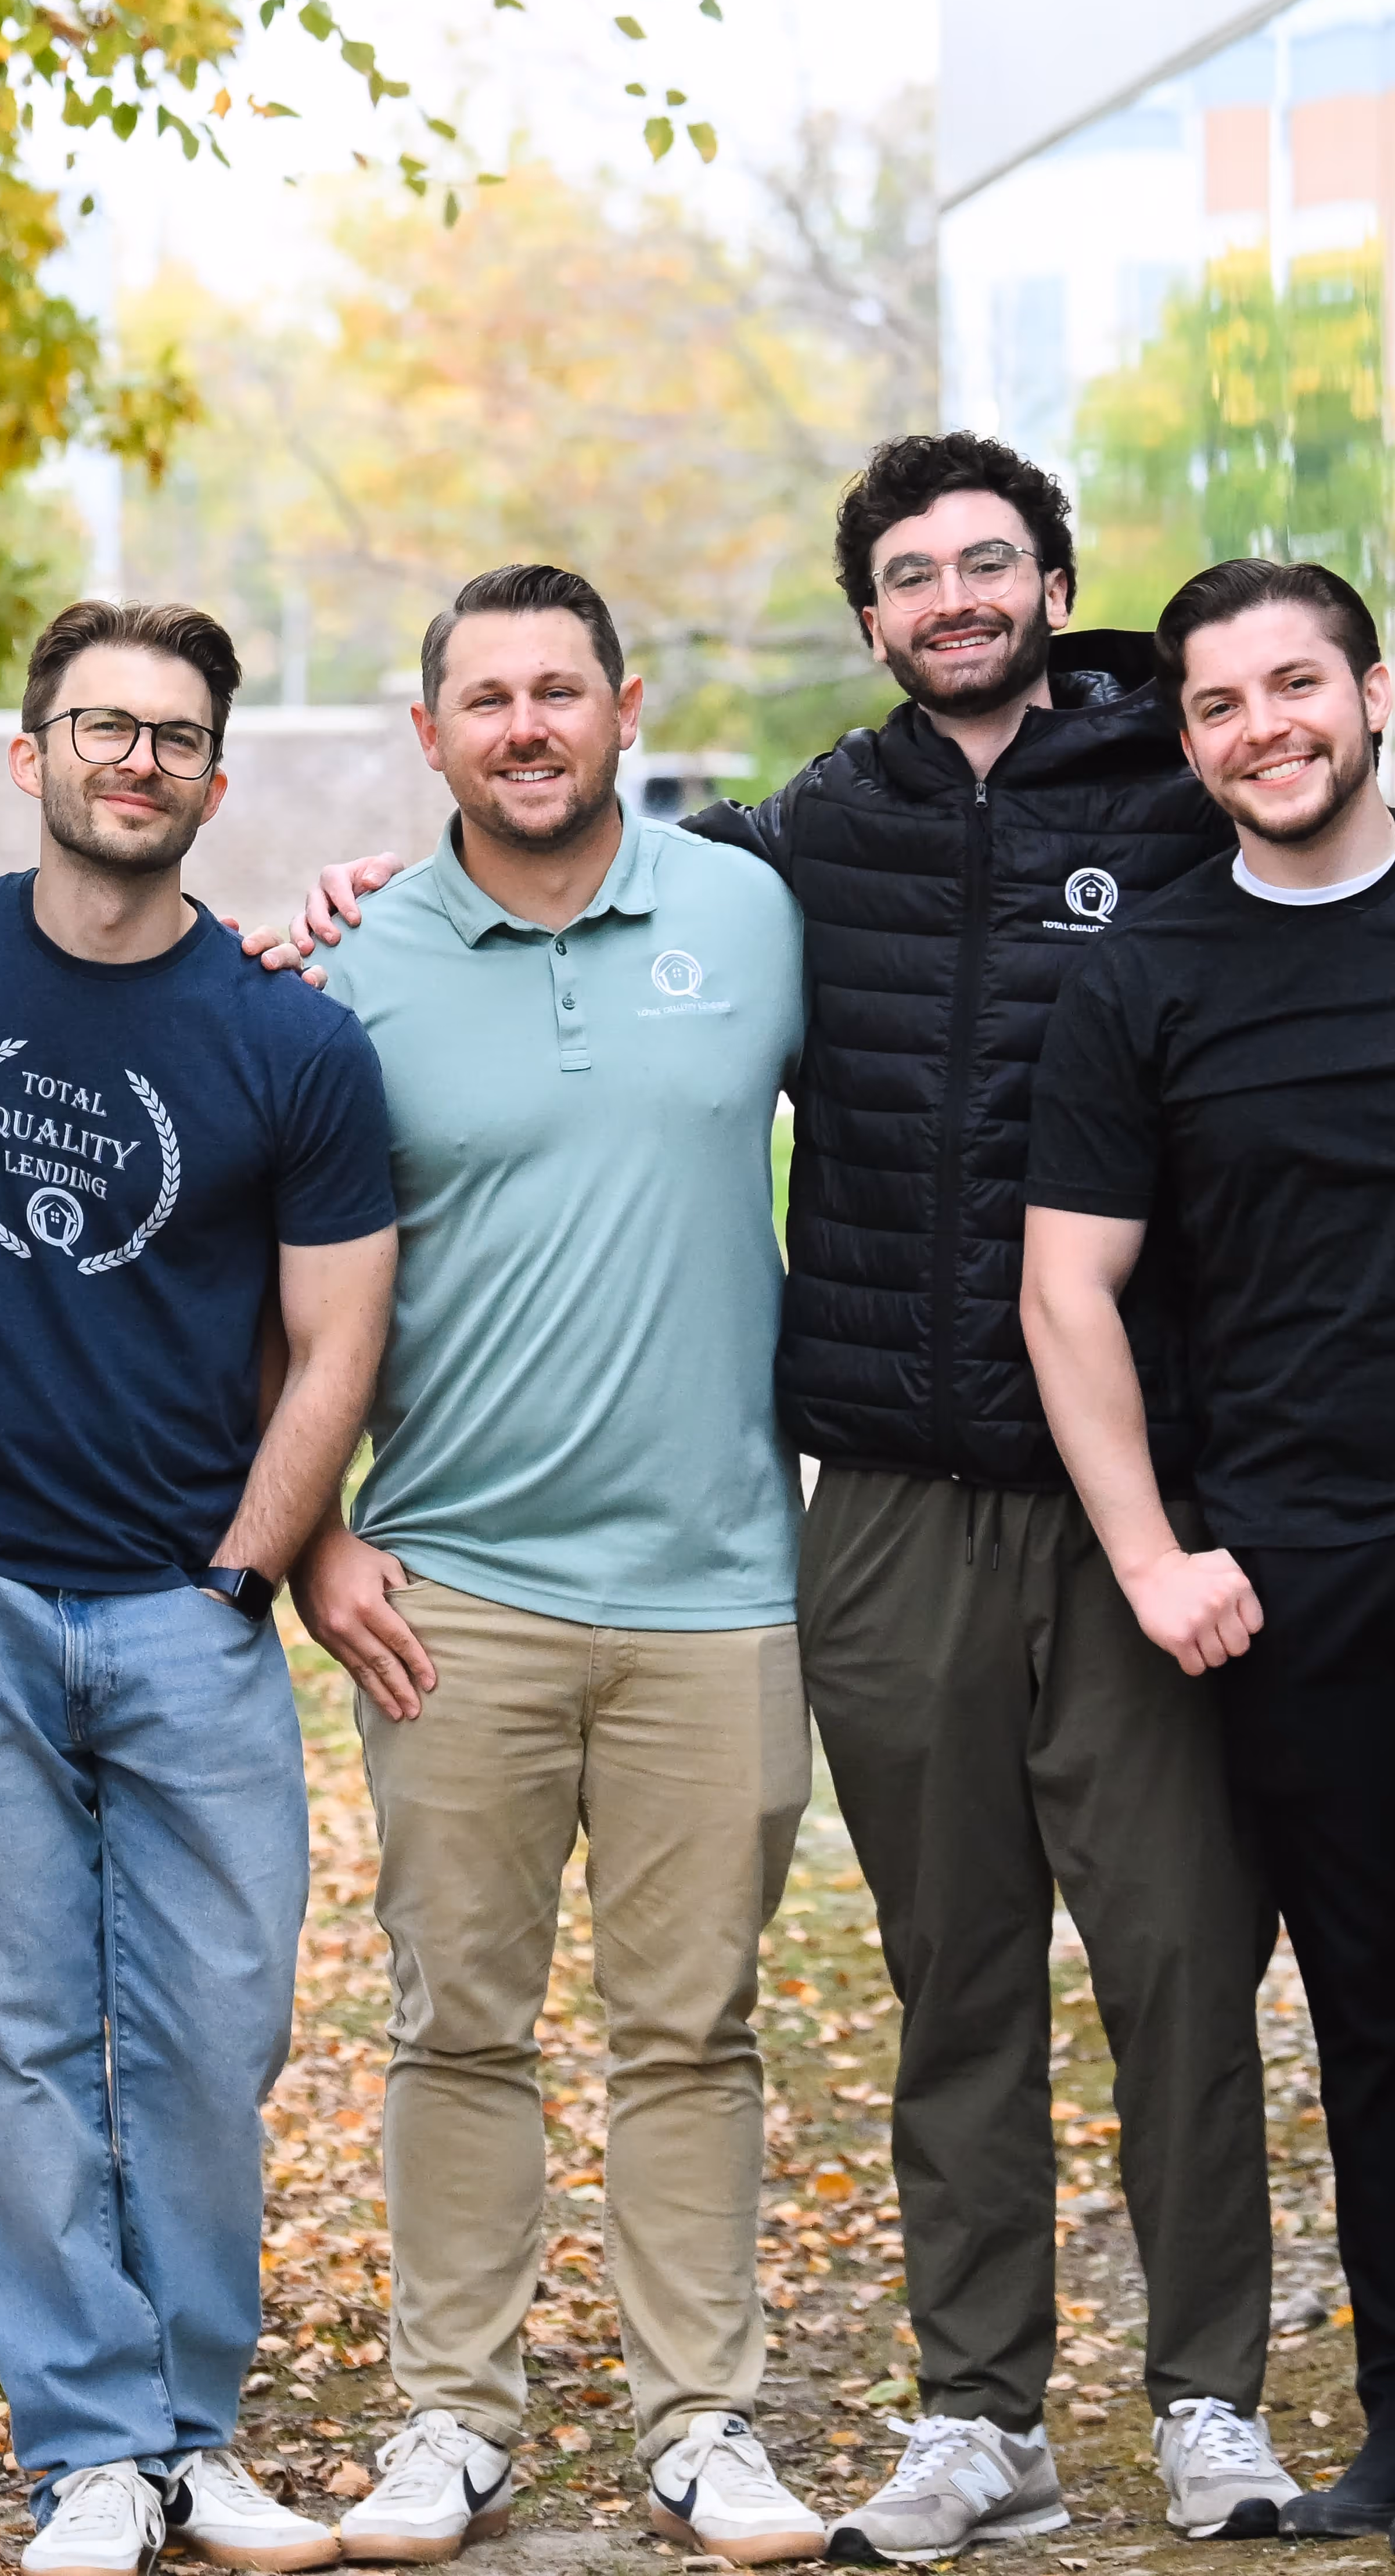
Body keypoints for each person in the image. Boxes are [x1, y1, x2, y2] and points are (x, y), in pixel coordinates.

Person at [278, 444, 1286, 2555]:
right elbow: (284, 1200)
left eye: (985, 564)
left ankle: (1169, 2392)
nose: (951, 600)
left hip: (1047, 1498)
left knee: (1151, 1962)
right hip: (758, 1514)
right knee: (906, 1977)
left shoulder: (1146, 798)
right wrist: (302, 1517)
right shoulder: (795, 848)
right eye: (908, 574)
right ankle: (920, 2407)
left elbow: (1324, 845)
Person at [1018, 556, 1395, 2560]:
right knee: (1363, 1985)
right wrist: (1151, 1551)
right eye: (1218, 704)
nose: (1263, 726)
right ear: (1185, 739)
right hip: (1278, 1560)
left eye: (1297, 685)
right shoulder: (1146, 973)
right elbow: (1066, 1291)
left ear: (1372, 693)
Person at [283, 566, 839, 2571]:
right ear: (424, 731)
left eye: (557, 692)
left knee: (695, 2028)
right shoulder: (351, 968)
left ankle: (703, 2419)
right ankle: (453, 2413)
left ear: (622, 706)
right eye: (482, 698)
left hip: (717, 1587)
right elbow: (278, 1283)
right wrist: (318, 1530)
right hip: (455, 1591)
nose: (524, 726)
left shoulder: (746, 916)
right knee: (459, 2024)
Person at [0, 599, 401, 2576]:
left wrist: (247, 1565)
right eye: (100, 726)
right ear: (28, 757)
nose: (134, 761)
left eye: (173, 736)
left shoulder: (288, 1036)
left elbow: (337, 1337)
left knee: (208, 2026)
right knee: (4, 2030)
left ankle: (199, 2428)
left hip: (190, 1606)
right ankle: (91, 2440)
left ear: (214, 780)